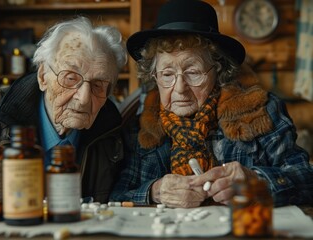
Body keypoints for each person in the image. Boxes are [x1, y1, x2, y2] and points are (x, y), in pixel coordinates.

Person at [110, 0, 313, 208]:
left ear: (218, 71)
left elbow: (306, 179)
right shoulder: (143, 129)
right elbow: (117, 196)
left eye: (193, 72)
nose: (180, 88)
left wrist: (257, 181)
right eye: (167, 74)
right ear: (154, 77)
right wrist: (155, 191)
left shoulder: (260, 111)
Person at [0, 16, 127, 203]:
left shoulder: (114, 132)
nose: (84, 98)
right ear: (43, 76)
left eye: (98, 85)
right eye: (70, 78)